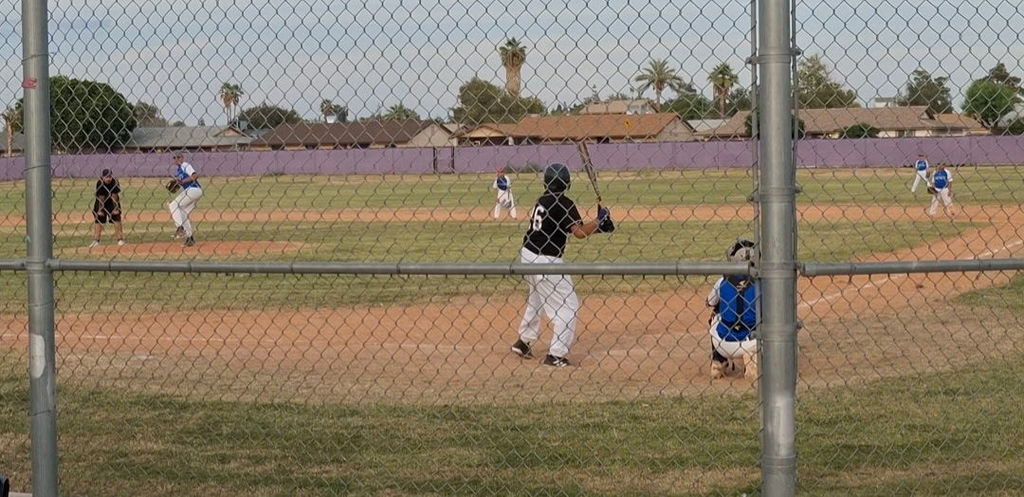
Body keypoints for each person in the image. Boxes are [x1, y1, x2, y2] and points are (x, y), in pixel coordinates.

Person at [510, 163, 611, 367]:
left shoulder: (543, 200)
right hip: (547, 261)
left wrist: (599, 226)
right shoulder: (564, 203)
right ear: (567, 183)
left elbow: (561, 229)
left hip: (528, 255)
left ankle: (524, 341)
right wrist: (599, 221)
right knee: (568, 306)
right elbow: (579, 232)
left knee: (536, 298)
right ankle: (556, 354)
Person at [706, 239, 759, 379]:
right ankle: (755, 358)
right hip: (754, 340)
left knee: (714, 315)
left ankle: (718, 362)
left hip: (724, 344)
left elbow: (710, 302)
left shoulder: (722, 281)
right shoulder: (762, 281)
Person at [168, 152, 203, 247]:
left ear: (183, 158)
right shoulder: (179, 171)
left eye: (178, 157)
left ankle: (180, 228)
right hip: (193, 192)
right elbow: (181, 183)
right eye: (174, 158)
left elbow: (195, 176)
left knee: (173, 204)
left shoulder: (185, 165)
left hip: (193, 190)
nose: (177, 159)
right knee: (182, 213)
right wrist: (177, 184)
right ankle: (190, 238)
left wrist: (182, 181)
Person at [90, 168, 125, 247]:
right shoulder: (100, 183)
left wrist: (116, 209)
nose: (108, 179)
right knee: (99, 218)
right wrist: (100, 210)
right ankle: (96, 240)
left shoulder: (115, 182)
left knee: (116, 217)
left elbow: (114, 196)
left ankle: (120, 240)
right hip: (101, 201)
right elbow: (101, 197)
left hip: (112, 202)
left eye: (110, 176)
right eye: (106, 177)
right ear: (102, 177)